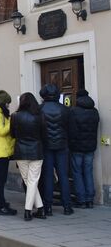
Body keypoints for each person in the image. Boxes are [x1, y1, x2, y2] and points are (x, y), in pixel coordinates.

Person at [10, 92, 46, 221]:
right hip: (36, 151)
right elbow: (44, 134)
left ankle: (33, 210)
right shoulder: (40, 116)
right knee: (32, 181)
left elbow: (12, 134)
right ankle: (34, 210)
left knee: (29, 181)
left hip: (20, 151)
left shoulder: (15, 116)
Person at [39, 84, 73, 216]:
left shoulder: (40, 109)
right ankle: (67, 206)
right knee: (63, 176)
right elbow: (71, 128)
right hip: (62, 146)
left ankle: (48, 207)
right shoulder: (65, 109)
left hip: (46, 146)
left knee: (48, 177)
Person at [68, 89, 99, 209]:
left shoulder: (73, 111)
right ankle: (90, 199)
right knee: (88, 172)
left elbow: (71, 129)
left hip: (77, 147)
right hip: (90, 147)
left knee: (77, 173)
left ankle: (81, 200)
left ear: (77, 98)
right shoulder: (95, 111)